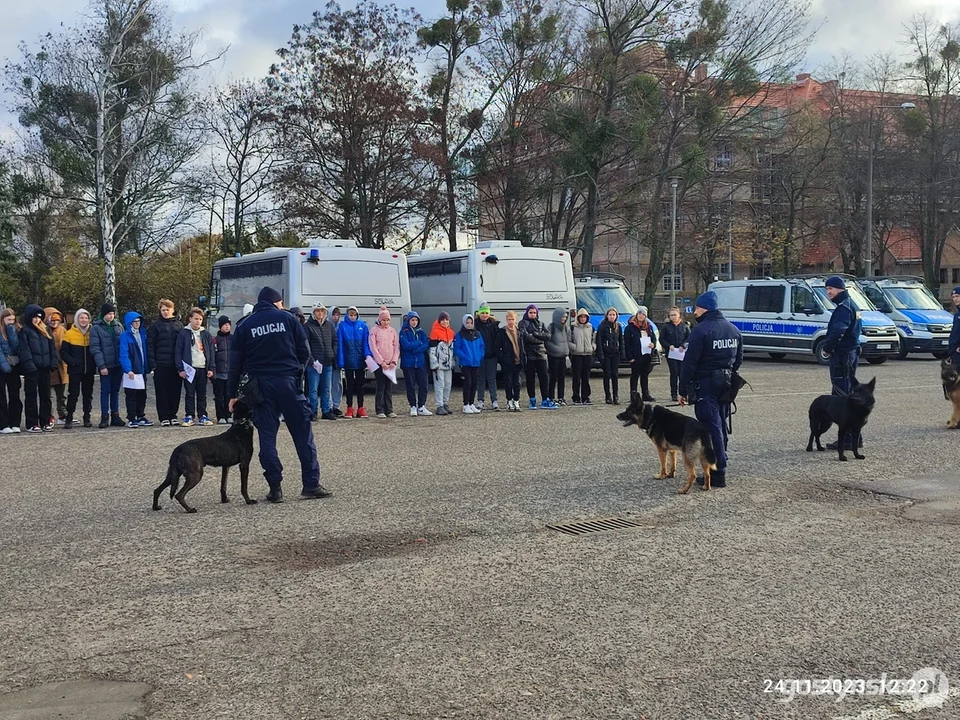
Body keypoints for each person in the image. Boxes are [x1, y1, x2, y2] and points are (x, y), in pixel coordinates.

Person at [228, 285, 331, 503]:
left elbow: (234, 365)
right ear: (276, 302)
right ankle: (311, 484)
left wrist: (232, 394)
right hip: (288, 383)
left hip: (260, 387)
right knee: (303, 434)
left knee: (267, 437)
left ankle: (275, 488)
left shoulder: (245, 325)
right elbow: (305, 352)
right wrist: (296, 374)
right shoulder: (289, 319)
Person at [678, 291, 743, 489]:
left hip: (705, 385)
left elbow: (689, 364)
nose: (695, 312)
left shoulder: (701, 331)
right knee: (721, 425)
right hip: (725, 384)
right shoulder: (733, 330)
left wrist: (682, 389)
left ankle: (717, 471)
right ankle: (721, 462)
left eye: (697, 308)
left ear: (704, 308)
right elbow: (738, 360)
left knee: (710, 427)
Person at [821, 275, 863, 450]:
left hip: (842, 356)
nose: (828, 292)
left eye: (830, 289)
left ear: (840, 289)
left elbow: (839, 330)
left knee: (842, 397)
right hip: (851, 353)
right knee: (849, 396)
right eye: (827, 289)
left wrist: (827, 348)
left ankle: (848, 439)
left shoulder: (843, 308)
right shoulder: (852, 305)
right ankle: (855, 437)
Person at [19, 304, 57, 433]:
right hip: (32, 369)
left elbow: (52, 349)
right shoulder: (25, 331)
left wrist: (53, 363)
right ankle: (32, 423)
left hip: (45, 368)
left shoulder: (46, 330)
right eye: (34, 317)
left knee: (45, 396)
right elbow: (24, 350)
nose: (37, 319)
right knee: (31, 396)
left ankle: (45, 421)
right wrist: (30, 366)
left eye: (39, 317)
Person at [175, 307, 215, 427]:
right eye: (196, 319)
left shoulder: (206, 334)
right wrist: (180, 369)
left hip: (203, 368)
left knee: (202, 393)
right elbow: (178, 351)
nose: (198, 321)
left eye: (200, 319)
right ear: (190, 319)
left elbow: (211, 351)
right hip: (189, 369)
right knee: (190, 393)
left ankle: (202, 415)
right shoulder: (183, 333)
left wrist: (211, 368)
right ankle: (189, 415)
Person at [147, 299, 184, 426]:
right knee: (162, 391)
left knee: (175, 391)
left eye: (167, 309)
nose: (165, 312)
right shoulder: (155, 326)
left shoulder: (179, 325)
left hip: (176, 364)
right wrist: (153, 364)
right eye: (163, 310)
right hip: (161, 364)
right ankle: (163, 417)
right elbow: (150, 346)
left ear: (172, 310)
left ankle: (173, 414)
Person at [90, 303, 125, 428]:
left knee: (115, 391)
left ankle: (115, 415)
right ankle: (104, 416)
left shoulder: (118, 326)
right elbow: (95, 348)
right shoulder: (96, 328)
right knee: (105, 391)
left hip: (117, 365)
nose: (111, 316)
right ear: (104, 314)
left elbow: (123, 345)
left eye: (112, 314)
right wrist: (102, 365)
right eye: (109, 314)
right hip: (106, 364)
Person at [60, 308, 96, 429]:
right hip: (75, 370)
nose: (84, 320)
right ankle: (69, 417)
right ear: (77, 319)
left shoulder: (93, 332)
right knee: (73, 394)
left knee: (88, 395)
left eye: (86, 318)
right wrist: (73, 362)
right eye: (81, 317)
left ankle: (87, 417)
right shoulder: (69, 333)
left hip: (89, 370)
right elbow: (63, 352)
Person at [118, 311, 153, 428]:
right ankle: (131, 418)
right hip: (132, 371)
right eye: (134, 321)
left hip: (142, 370)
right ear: (129, 323)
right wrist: (128, 369)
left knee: (142, 394)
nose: (137, 324)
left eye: (138, 321)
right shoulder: (125, 336)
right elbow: (124, 354)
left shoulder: (143, 334)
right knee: (131, 395)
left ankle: (140, 415)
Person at [304, 303, 338, 421]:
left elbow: (335, 340)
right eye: (317, 311)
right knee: (313, 389)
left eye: (322, 311)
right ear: (313, 313)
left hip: (327, 362)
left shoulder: (329, 325)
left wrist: (332, 353)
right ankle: (313, 411)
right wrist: (312, 361)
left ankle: (326, 410)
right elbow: (306, 345)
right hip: (314, 364)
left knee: (326, 388)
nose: (320, 313)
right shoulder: (308, 326)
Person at [336, 306, 370, 419]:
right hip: (348, 361)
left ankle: (361, 408)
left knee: (360, 385)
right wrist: (341, 361)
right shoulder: (342, 326)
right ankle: (349, 408)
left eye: (354, 314)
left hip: (360, 361)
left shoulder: (363, 326)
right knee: (349, 386)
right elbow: (340, 344)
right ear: (347, 315)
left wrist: (368, 357)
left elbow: (366, 343)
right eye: (350, 314)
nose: (353, 316)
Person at [518, 304, 554, 409]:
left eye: (534, 312)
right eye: (531, 312)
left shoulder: (541, 324)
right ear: (527, 313)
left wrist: (536, 334)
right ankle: (532, 399)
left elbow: (548, 336)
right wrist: (539, 337)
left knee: (544, 378)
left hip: (541, 354)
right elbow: (526, 337)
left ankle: (545, 399)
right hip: (529, 355)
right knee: (530, 379)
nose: (533, 314)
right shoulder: (523, 323)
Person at [369, 305, 400, 418]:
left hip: (390, 363)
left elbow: (396, 347)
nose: (386, 322)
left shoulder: (392, 331)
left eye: (387, 320)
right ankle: (380, 409)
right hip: (380, 364)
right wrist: (381, 362)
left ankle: (389, 409)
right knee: (380, 386)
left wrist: (394, 361)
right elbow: (373, 348)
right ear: (379, 320)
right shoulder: (374, 330)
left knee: (389, 387)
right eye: (383, 320)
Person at [399, 311, 431, 416]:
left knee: (423, 385)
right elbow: (406, 345)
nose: (414, 322)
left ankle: (421, 406)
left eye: (416, 320)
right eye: (412, 320)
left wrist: (416, 349)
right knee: (410, 386)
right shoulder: (404, 331)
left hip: (420, 362)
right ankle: (413, 406)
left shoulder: (421, 332)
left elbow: (426, 344)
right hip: (408, 363)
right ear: (408, 320)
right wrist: (418, 343)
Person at [494, 310, 526, 411]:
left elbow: (522, 346)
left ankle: (516, 400)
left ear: (516, 320)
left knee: (517, 383)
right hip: (507, 362)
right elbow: (496, 347)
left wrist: (523, 357)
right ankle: (509, 400)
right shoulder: (502, 332)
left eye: (512, 319)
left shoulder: (519, 332)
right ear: (506, 320)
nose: (511, 321)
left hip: (518, 361)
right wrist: (503, 358)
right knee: (508, 382)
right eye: (509, 319)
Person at [625, 306, 658, 402]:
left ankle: (645, 393)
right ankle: (633, 394)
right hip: (636, 355)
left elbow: (653, 339)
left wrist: (653, 345)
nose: (641, 316)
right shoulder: (630, 328)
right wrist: (630, 356)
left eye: (643, 314)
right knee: (635, 375)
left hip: (647, 354)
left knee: (645, 375)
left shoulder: (649, 327)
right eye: (639, 313)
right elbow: (627, 343)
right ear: (636, 314)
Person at [454, 313, 484, 413]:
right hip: (466, 364)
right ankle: (465, 404)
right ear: (464, 323)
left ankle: (471, 403)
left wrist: (479, 356)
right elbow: (457, 348)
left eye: (471, 323)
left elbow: (482, 346)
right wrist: (465, 357)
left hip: (475, 363)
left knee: (474, 383)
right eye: (467, 323)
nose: (469, 324)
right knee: (467, 383)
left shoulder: (477, 334)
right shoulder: (460, 334)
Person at [660, 306, 691, 402]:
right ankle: (673, 393)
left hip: (682, 353)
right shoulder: (666, 326)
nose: (673, 317)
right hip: (672, 353)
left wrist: (683, 345)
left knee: (682, 374)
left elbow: (689, 338)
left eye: (674, 315)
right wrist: (669, 346)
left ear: (679, 315)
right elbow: (662, 339)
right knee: (674, 373)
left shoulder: (685, 326)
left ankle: (683, 393)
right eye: (671, 315)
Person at [0, 308, 23, 433]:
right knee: (1, 396)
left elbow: (17, 347)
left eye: (13, 320)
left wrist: (11, 331)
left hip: (14, 366)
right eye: (8, 319)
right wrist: (5, 365)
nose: (11, 322)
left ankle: (15, 422)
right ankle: (3, 424)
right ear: (2, 319)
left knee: (15, 395)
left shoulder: (16, 329)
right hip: (2, 366)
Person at [474, 304, 500, 410]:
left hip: (492, 356)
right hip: (480, 357)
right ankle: (480, 400)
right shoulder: (476, 325)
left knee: (492, 379)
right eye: (483, 313)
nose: (484, 315)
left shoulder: (493, 325)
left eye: (486, 313)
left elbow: (497, 341)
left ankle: (494, 401)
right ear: (479, 314)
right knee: (481, 379)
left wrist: (497, 353)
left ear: (489, 314)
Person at [44, 307, 68, 426]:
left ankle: (63, 414)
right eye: (52, 320)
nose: (54, 322)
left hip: (62, 366)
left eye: (56, 320)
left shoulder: (62, 330)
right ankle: (50, 415)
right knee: (49, 395)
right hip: (49, 366)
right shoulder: (43, 330)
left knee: (62, 394)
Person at [429, 311, 455, 415]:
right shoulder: (435, 332)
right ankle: (439, 405)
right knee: (440, 384)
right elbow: (432, 350)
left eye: (447, 320)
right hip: (439, 364)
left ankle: (445, 403)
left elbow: (452, 349)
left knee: (448, 384)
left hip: (448, 364)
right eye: (443, 320)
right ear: (439, 321)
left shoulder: (451, 333)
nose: (445, 322)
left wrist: (452, 362)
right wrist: (434, 364)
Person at [545, 307, 571, 406]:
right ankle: (551, 397)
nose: (564, 319)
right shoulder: (551, 327)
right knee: (553, 377)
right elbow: (547, 342)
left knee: (562, 378)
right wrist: (556, 349)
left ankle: (561, 397)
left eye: (565, 317)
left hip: (563, 356)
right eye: (562, 317)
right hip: (554, 356)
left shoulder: (565, 328)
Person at [569, 308, 595, 405]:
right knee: (576, 377)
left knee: (586, 377)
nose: (583, 319)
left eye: (585, 317)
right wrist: (574, 348)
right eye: (581, 317)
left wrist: (593, 347)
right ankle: (576, 397)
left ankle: (585, 397)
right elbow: (569, 340)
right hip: (577, 355)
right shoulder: (573, 327)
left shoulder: (590, 327)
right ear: (578, 317)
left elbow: (594, 339)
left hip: (587, 354)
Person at [596, 308, 622, 404]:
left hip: (615, 353)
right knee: (607, 375)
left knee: (615, 375)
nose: (612, 316)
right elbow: (599, 340)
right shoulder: (602, 326)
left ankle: (616, 396)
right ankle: (608, 396)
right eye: (610, 314)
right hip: (606, 354)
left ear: (616, 316)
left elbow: (620, 341)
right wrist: (601, 355)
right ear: (607, 316)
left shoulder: (618, 326)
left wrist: (622, 354)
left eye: (613, 315)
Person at [212, 316, 232, 424]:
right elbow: (212, 355)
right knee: (219, 396)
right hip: (219, 373)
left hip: (230, 373)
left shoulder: (233, 338)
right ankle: (220, 416)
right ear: (220, 326)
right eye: (225, 325)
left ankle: (229, 414)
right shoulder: (215, 339)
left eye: (229, 325)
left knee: (229, 395)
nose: (227, 326)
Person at [329, 306, 344, 417]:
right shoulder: (327, 326)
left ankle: (336, 405)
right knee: (327, 384)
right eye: (334, 315)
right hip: (329, 358)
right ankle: (329, 406)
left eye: (337, 315)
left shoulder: (341, 327)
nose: (335, 317)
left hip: (338, 358)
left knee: (337, 383)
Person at [950, 286, 960, 366]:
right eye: (953, 297)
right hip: (954, 351)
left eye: (957, 296)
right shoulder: (957, 315)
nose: (955, 299)